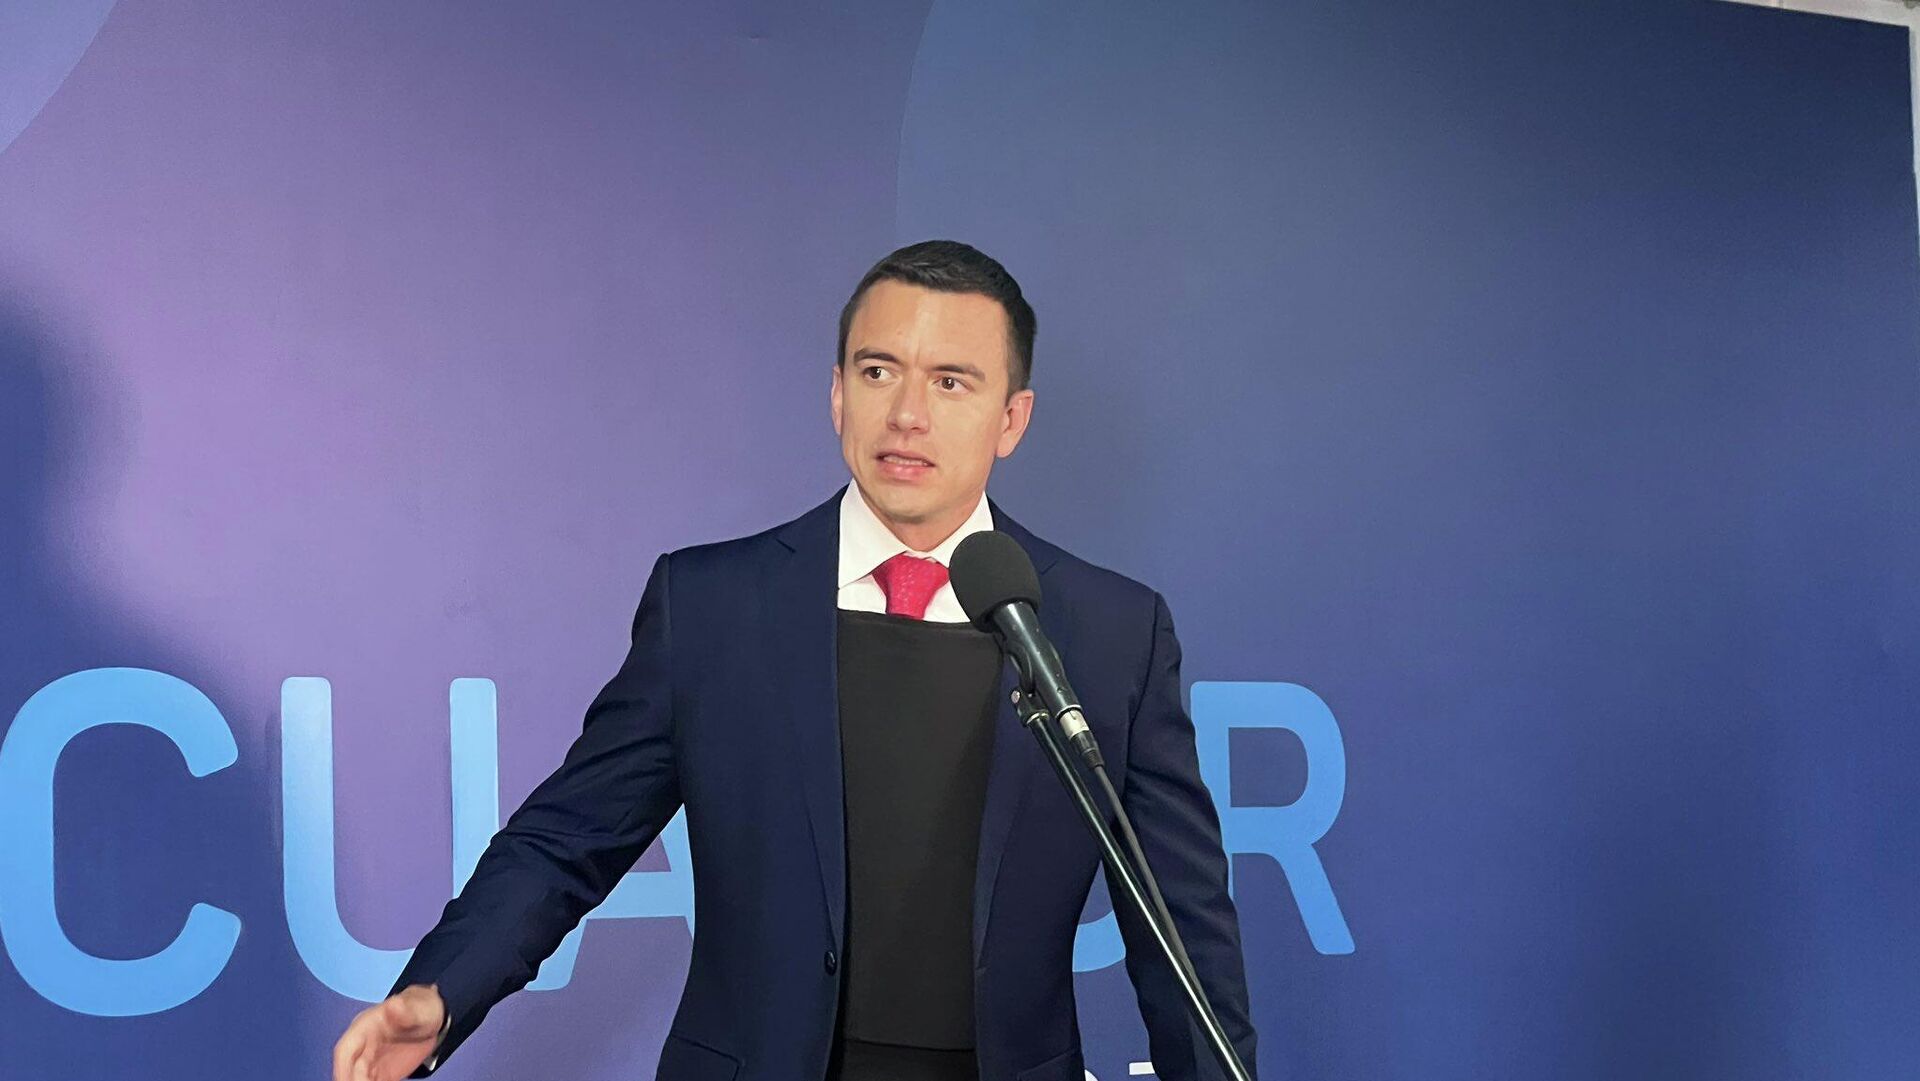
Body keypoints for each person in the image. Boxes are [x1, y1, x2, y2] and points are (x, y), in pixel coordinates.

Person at [329, 240, 1258, 1081]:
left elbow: (1179, 922)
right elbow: (568, 837)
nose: (907, 414)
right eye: (879, 370)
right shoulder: (714, 606)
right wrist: (441, 994)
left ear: (1011, 419)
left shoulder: (1109, 629)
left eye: (951, 382)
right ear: (837, 393)